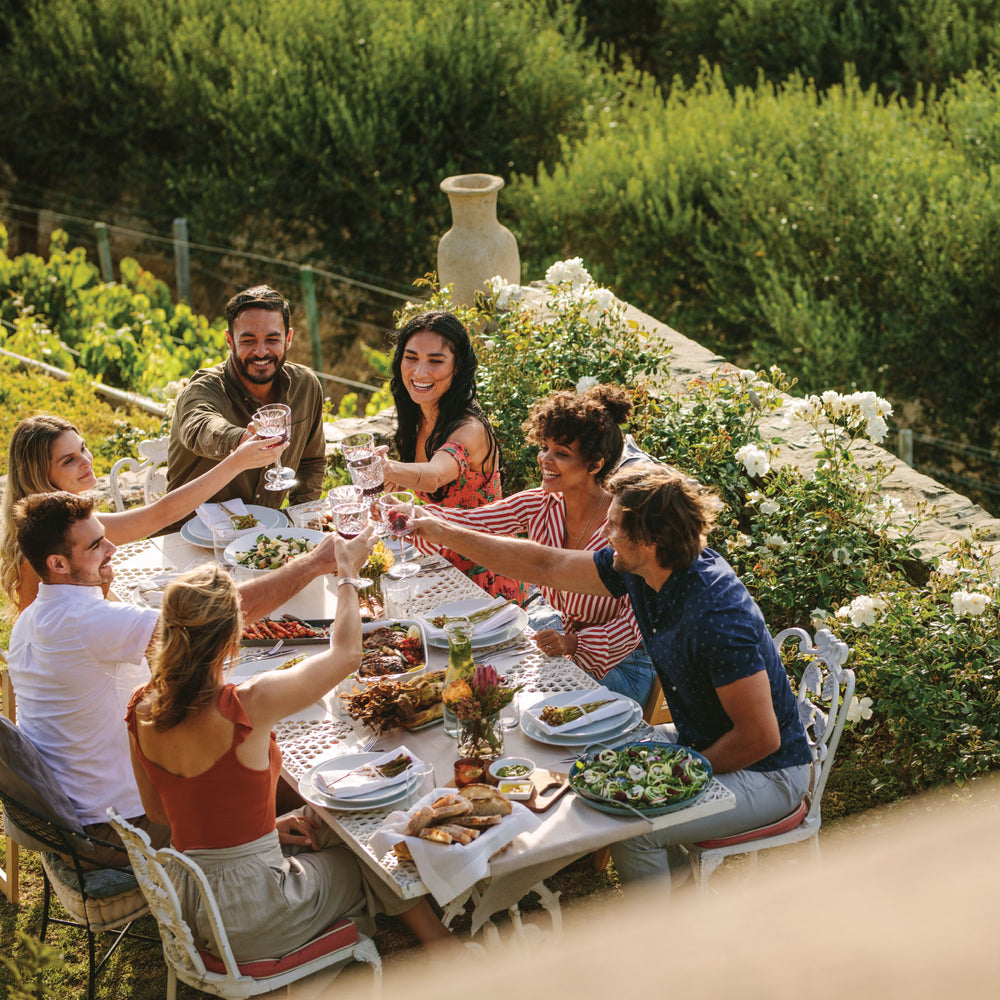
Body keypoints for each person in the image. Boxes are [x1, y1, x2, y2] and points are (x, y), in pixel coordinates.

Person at [411, 465, 813, 887]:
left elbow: (760, 738)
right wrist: (442, 531)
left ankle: (658, 946)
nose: (603, 533)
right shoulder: (646, 568)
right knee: (589, 761)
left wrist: (667, 770)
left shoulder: (716, 615)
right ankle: (683, 899)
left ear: (652, 539)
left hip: (769, 773)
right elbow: (546, 564)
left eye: (615, 525)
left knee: (632, 831)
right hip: (705, 741)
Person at [126, 557, 457, 961]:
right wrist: (349, 575)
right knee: (365, 848)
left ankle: (436, 937)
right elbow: (348, 655)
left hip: (193, 902)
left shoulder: (142, 706)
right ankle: (440, 939)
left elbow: (159, 811)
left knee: (327, 818)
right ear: (235, 638)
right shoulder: (247, 704)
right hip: (258, 912)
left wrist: (257, 830)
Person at [5, 491, 349, 865]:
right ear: (57, 563)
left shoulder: (32, 617)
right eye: (95, 545)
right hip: (117, 830)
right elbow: (217, 619)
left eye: (105, 536)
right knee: (308, 778)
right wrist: (315, 562)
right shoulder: (83, 622)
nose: (112, 548)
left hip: (79, 813)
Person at [415, 384, 655, 705]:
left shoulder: (627, 524)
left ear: (595, 464)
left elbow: (636, 619)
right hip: (560, 639)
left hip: (624, 664)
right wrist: (412, 517)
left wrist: (573, 644)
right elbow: (475, 522)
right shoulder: (540, 503)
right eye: (545, 447)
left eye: (561, 453)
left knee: (521, 701)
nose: (545, 459)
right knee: (483, 678)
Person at [1, 413, 282, 615]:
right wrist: (236, 463)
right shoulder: (47, 541)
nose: (86, 461)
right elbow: (161, 514)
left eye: (83, 448)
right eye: (69, 460)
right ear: (42, 475)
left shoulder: (57, 525)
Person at [378, 310, 526, 603]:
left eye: (435, 361)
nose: (420, 372)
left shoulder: (469, 429)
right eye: (411, 358)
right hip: (436, 563)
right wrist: (392, 493)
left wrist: (385, 467)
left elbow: (434, 477)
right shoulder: (418, 420)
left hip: (484, 577)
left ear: (457, 368)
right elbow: (431, 499)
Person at [165, 284, 326, 520]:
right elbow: (199, 426)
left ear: (288, 339)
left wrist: (300, 520)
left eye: (272, 339)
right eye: (248, 341)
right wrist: (242, 441)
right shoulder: (204, 387)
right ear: (230, 340)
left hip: (264, 537)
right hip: (188, 538)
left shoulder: (306, 386)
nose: (261, 351)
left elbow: (312, 462)